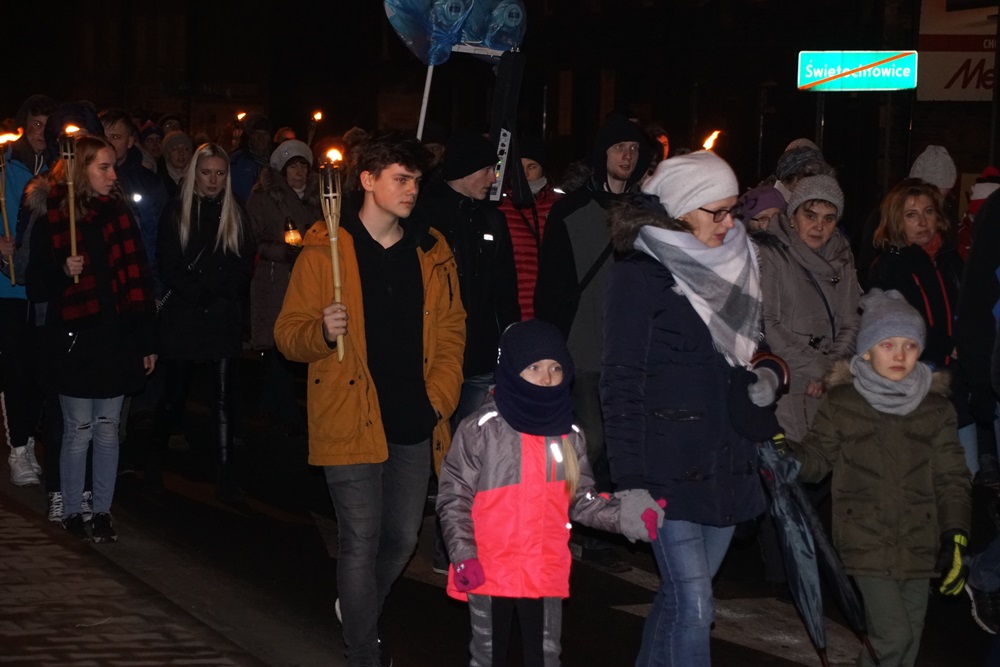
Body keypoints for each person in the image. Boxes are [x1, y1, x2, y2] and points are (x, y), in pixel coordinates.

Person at [273, 131, 465, 667]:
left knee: (402, 539)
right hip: (347, 411)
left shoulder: (431, 248)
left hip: (411, 416)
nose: (411, 191)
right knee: (359, 539)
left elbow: (452, 330)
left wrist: (439, 400)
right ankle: (362, 650)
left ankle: (359, 610)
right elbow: (287, 334)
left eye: (416, 181)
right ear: (367, 180)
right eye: (400, 179)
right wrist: (320, 330)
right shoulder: (325, 248)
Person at [602, 151, 788, 666]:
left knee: (682, 599)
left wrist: (771, 374)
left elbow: (759, 347)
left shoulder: (740, 262)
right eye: (717, 212)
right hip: (666, 470)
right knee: (696, 606)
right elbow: (620, 384)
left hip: (728, 459)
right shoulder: (639, 277)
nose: (730, 224)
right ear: (682, 208)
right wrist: (631, 483)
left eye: (733, 211)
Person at [437, 318, 661, 666]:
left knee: (544, 657)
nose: (547, 377)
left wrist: (624, 515)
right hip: (489, 568)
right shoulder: (482, 429)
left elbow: (581, 499)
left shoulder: (568, 434)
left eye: (556, 367)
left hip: (543, 569)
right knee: (488, 656)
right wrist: (463, 553)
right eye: (534, 367)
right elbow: (454, 499)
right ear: (511, 370)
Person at [793, 289, 971, 667]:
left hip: (918, 539)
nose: (900, 355)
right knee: (893, 637)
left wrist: (956, 532)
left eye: (909, 345)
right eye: (887, 344)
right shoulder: (844, 402)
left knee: (909, 643)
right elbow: (816, 460)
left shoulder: (936, 408)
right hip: (865, 535)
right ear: (867, 351)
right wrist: (786, 454)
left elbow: (951, 473)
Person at [535, 111, 653, 571]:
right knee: (593, 442)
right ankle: (580, 522)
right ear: (602, 154)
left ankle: (607, 526)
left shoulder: (648, 212)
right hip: (582, 347)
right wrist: (552, 347)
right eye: (619, 147)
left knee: (623, 443)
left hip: (630, 349)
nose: (628, 155)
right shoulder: (571, 211)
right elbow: (553, 287)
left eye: (634, 149)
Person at [25, 134, 157, 542]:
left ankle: (101, 510)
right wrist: (62, 270)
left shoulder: (118, 214)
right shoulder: (54, 217)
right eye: (104, 167)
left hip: (114, 338)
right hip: (75, 339)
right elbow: (35, 286)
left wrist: (145, 340)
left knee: (106, 428)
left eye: (113, 165)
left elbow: (139, 280)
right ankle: (70, 507)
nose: (112, 174)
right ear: (81, 169)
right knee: (78, 427)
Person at [151, 143, 256, 501]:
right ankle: (154, 460)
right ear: (195, 172)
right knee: (175, 394)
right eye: (207, 172)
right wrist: (199, 293)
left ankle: (226, 476)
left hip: (222, 316)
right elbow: (167, 263)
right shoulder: (176, 210)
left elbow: (244, 263)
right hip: (185, 315)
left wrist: (221, 294)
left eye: (220, 173)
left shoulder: (236, 212)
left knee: (224, 398)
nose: (213, 181)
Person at [420, 131, 519, 425]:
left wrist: (508, 342)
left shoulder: (492, 219)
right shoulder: (423, 216)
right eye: (487, 170)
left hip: (481, 356)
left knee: (474, 441)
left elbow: (505, 288)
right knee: (436, 439)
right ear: (464, 169)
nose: (493, 179)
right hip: (436, 355)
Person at [756, 174, 861, 441]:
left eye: (829, 218)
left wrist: (832, 369)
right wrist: (819, 368)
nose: (819, 226)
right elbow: (769, 324)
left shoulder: (842, 255)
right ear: (793, 215)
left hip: (830, 384)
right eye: (811, 215)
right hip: (789, 381)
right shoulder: (771, 253)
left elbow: (850, 319)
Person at [246, 138, 321, 433]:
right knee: (280, 340)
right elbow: (253, 238)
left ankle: (274, 405)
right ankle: (283, 410)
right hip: (276, 276)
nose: (299, 172)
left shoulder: (318, 197)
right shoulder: (264, 197)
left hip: (310, 276)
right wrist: (284, 252)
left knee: (301, 338)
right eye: (293, 166)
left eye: (303, 165)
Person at [2, 93, 55, 489]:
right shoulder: (6, 169)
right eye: (35, 124)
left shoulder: (58, 170)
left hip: (42, 287)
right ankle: (17, 446)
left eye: (46, 125)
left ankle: (29, 438)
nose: (41, 133)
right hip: (7, 287)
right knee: (16, 369)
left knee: (39, 370)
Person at [498, 137, 562, 320]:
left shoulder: (558, 204)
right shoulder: (501, 205)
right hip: (513, 302)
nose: (524, 174)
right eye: (520, 166)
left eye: (532, 167)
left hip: (551, 303)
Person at [160, 130, 194, 201]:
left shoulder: (198, 175)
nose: (181, 153)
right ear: (168, 154)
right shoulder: (159, 177)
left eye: (186, 149)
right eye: (175, 149)